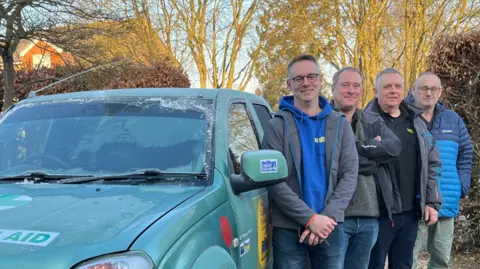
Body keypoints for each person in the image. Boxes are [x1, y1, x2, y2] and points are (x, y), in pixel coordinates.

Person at [261, 54, 358, 269]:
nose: (306, 82)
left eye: (311, 76)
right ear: (289, 84)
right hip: (288, 228)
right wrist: (310, 219)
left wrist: (326, 218)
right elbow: (272, 180)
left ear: (321, 79)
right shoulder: (276, 126)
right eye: (298, 78)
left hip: (331, 226)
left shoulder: (340, 124)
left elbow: (350, 175)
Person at [365, 68, 443, 269]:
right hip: (377, 213)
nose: (393, 90)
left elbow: (431, 163)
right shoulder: (364, 122)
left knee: (403, 265)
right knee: (372, 264)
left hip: (410, 213)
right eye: (387, 86)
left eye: (397, 86)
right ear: (375, 91)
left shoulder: (416, 122)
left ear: (404, 90)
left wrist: (432, 201)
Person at [330, 67, 402, 269]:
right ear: (333, 88)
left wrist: (359, 147)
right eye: (345, 85)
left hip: (369, 217)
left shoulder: (371, 120)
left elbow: (394, 147)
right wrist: (373, 155)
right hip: (334, 219)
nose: (351, 90)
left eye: (356, 86)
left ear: (362, 91)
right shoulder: (322, 120)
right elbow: (331, 161)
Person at [406, 72, 473, 269]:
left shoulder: (453, 120)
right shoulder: (403, 117)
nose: (428, 93)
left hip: (446, 198)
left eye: (433, 89)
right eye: (423, 88)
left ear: (440, 92)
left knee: (441, 260)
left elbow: (466, 153)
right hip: (412, 201)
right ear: (413, 90)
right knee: (407, 257)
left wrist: (461, 185)